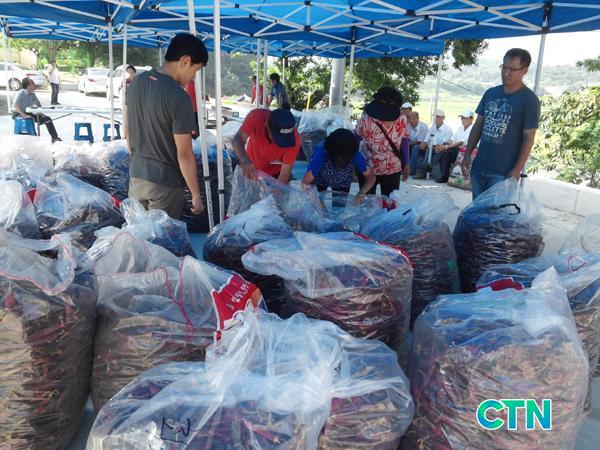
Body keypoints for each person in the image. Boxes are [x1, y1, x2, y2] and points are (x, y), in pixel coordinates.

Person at [126, 33, 208, 219]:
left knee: (137, 234)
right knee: (162, 236)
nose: (193, 77)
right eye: (196, 70)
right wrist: (196, 195)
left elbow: (127, 132)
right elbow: (184, 153)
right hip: (165, 184)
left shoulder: (136, 82)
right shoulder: (179, 97)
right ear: (185, 61)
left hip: (136, 176)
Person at [462, 48, 540, 198]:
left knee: (494, 212)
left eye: (512, 69)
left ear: (524, 71)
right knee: (476, 210)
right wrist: (467, 154)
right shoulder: (491, 93)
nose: (506, 73)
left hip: (503, 173)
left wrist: (517, 170)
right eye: (504, 67)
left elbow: (528, 138)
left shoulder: (529, 100)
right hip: (479, 167)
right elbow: (478, 125)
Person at [355, 86, 410, 196]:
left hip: (377, 167)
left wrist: (407, 163)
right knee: (385, 202)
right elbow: (405, 142)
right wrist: (407, 163)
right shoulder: (401, 119)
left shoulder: (366, 118)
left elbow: (355, 139)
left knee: (373, 203)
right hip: (379, 168)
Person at [302, 128, 376, 204]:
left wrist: (362, 192)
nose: (339, 165)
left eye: (344, 160)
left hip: (342, 182)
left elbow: (370, 176)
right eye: (337, 160)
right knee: (317, 206)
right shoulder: (321, 153)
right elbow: (305, 183)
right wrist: (318, 203)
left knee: (339, 206)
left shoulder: (354, 154)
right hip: (320, 179)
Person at [232, 108, 300, 183]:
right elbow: (237, 139)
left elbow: (284, 175)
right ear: (267, 127)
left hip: (276, 174)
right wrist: (244, 159)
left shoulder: (294, 139)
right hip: (251, 169)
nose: (279, 144)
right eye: (277, 138)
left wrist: (276, 189)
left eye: (285, 139)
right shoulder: (256, 117)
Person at [13, 77, 61, 143]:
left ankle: (54, 137)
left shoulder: (32, 94)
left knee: (47, 119)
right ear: (28, 86)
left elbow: (38, 104)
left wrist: (40, 112)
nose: (35, 84)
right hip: (18, 113)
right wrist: (24, 115)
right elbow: (15, 105)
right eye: (33, 83)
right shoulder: (21, 93)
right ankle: (31, 139)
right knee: (29, 118)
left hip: (28, 113)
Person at [434, 110, 475, 183]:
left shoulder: (473, 129)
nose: (463, 120)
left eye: (465, 118)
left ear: (471, 119)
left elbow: (460, 142)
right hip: (456, 150)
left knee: (447, 151)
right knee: (444, 150)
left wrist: (445, 147)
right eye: (462, 118)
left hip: (466, 153)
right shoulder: (460, 128)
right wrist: (442, 145)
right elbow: (452, 139)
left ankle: (434, 169)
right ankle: (443, 175)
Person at [413, 109, 453, 179]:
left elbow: (443, 144)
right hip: (430, 146)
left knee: (429, 149)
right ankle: (413, 170)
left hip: (439, 148)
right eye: (434, 117)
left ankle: (423, 170)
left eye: (438, 117)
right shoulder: (432, 128)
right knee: (416, 147)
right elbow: (426, 139)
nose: (436, 119)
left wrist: (428, 145)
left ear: (443, 118)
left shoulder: (447, 130)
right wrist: (423, 144)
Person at [407, 111, 429, 176]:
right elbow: (406, 136)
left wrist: (408, 143)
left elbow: (420, 141)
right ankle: (403, 168)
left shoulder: (423, 126)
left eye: (413, 119)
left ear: (417, 119)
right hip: (412, 143)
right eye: (410, 119)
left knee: (414, 147)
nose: (411, 120)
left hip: (422, 144)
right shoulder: (408, 126)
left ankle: (412, 170)